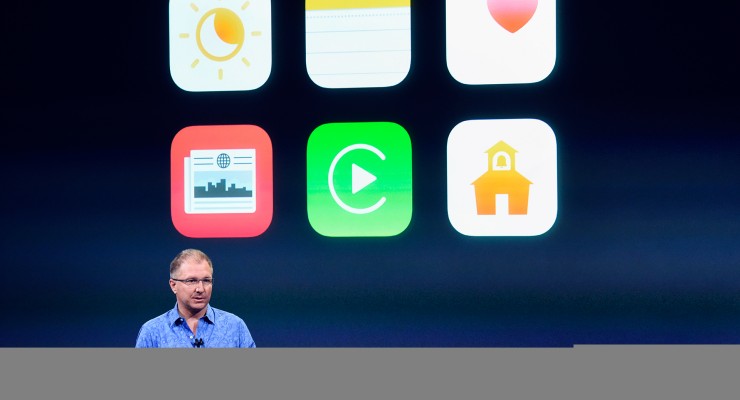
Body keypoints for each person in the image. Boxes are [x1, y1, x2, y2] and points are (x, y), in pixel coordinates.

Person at [135, 249, 256, 348]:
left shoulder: (235, 327)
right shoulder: (152, 331)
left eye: (206, 280)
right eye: (191, 281)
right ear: (173, 285)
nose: (200, 289)